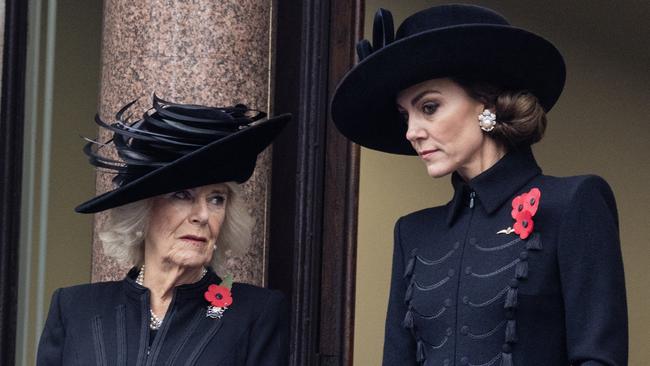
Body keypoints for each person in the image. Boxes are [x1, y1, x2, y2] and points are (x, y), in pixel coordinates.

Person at [331, 4, 627, 366]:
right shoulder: (412, 232)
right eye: (404, 115)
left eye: (428, 107)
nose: (411, 132)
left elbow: (599, 358)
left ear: (487, 103)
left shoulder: (573, 203)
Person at [37, 95, 291, 365]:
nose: (203, 215)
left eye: (216, 198)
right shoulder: (76, 308)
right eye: (182, 195)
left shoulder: (255, 313)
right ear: (143, 210)